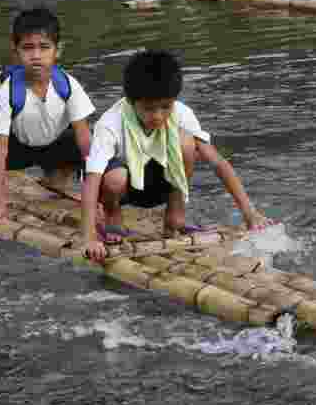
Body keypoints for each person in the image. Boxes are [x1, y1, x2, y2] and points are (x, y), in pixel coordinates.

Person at [82, 49, 277, 262]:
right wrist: (90, 237)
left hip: (159, 186)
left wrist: (250, 213)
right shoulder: (110, 124)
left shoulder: (182, 114)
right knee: (115, 176)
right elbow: (92, 182)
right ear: (131, 101)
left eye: (165, 107)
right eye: (148, 109)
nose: (158, 116)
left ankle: (175, 215)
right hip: (123, 189)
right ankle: (112, 214)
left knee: (186, 142)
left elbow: (218, 162)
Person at [0, 8, 95, 226]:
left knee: (91, 138)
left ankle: (57, 177)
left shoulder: (68, 85)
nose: (36, 56)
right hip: (20, 149)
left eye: (44, 47)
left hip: (55, 145)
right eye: (28, 48)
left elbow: (85, 142)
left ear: (58, 50)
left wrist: (92, 197)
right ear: (16, 51)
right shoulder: (9, 91)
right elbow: (0, 148)